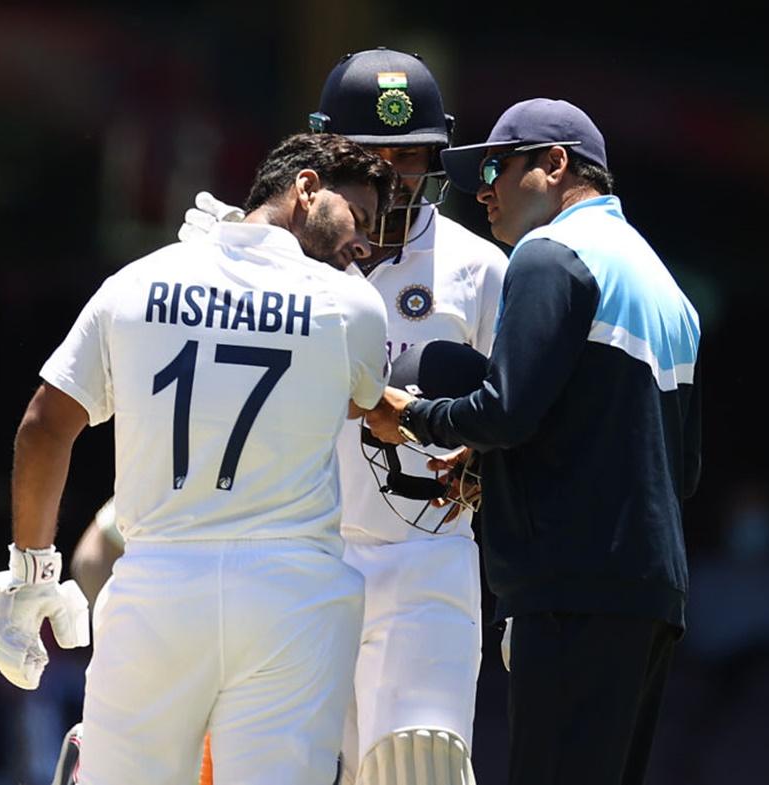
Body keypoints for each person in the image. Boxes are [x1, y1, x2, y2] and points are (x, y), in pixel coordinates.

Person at [0, 131, 396, 785]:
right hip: (291, 602)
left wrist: (31, 573)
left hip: (156, 593)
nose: (366, 244)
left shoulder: (137, 281)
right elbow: (362, 403)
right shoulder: (354, 305)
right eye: (361, 218)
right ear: (307, 187)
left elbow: (43, 426)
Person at [176, 48, 507, 785]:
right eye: (374, 156)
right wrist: (218, 269)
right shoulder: (263, 261)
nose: (395, 176)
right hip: (296, 554)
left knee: (416, 765)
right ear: (326, 160)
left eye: (412, 157)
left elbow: (522, 415)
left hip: (423, 559)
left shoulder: (481, 271)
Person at [367, 98, 703, 785]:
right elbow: (681, 467)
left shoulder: (552, 253)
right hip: (649, 594)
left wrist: (413, 415)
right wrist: (495, 458)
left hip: (571, 589)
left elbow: (506, 411)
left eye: (496, 166)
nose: (483, 188)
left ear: (555, 165)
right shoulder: (665, 286)